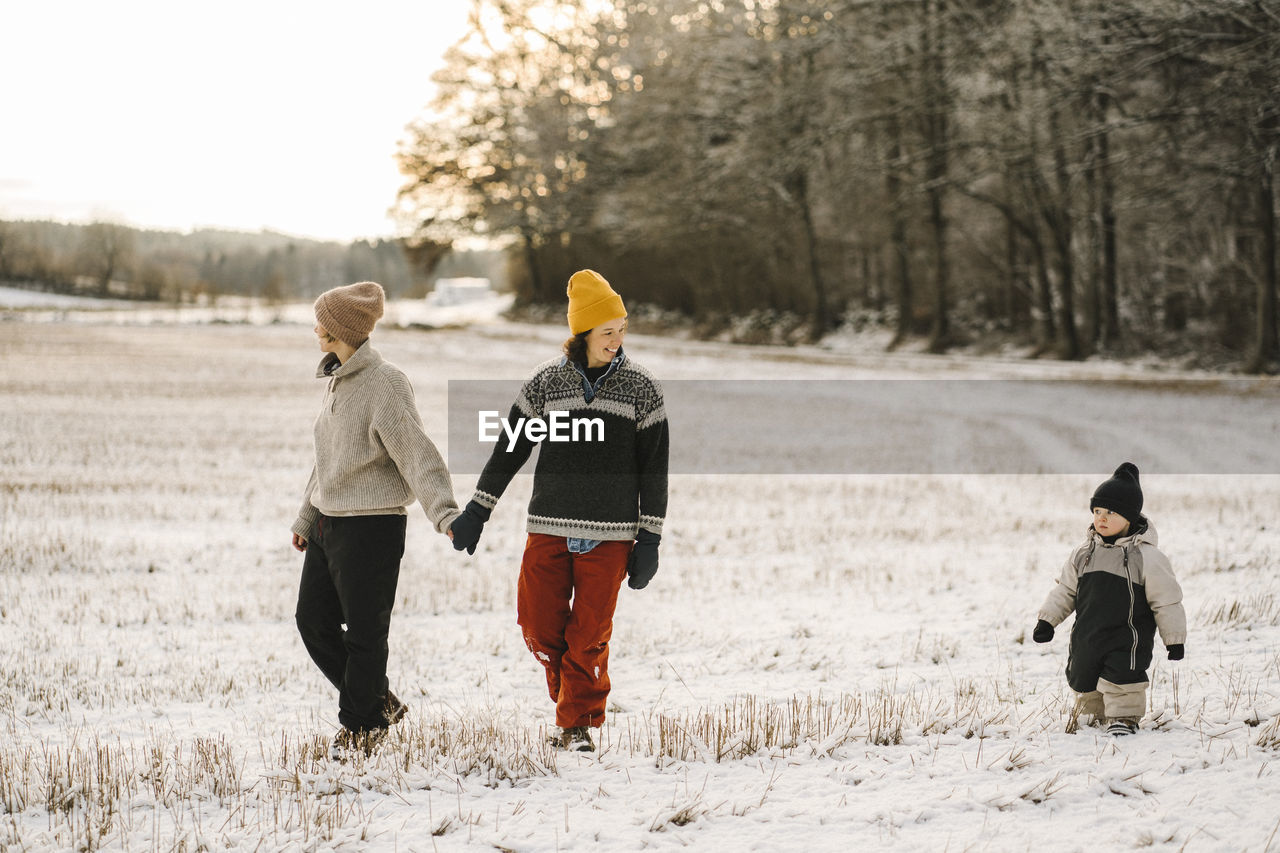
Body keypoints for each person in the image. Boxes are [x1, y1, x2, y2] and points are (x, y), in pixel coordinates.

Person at [449, 269, 669, 753]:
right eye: (607, 331)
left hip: (611, 533)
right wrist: (477, 511)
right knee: (538, 627)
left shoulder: (642, 390)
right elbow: (509, 450)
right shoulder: (546, 384)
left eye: (622, 329)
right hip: (548, 525)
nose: (618, 339)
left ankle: (576, 726)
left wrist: (649, 538)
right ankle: (571, 695)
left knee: (588, 635)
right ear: (582, 332)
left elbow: (654, 471)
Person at [290, 281, 462, 758]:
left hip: (371, 527)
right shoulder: (337, 380)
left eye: (322, 319)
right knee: (312, 622)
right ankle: (378, 703)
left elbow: (416, 453)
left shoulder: (385, 383)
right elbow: (326, 459)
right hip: (330, 523)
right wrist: (308, 518)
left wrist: (445, 513)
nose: (316, 327)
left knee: (366, 635)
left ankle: (362, 728)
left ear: (341, 329)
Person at [1032, 462, 1186, 736]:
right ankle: (1094, 716)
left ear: (1129, 516)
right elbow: (1066, 590)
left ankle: (1124, 718)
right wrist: (1048, 620)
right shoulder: (1082, 553)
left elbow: (1166, 601)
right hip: (1088, 633)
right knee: (1082, 673)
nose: (1100, 518)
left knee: (1123, 675)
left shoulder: (1147, 557)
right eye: (1097, 511)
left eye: (1110, 512)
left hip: (1127, 635)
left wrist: (1174, 639)